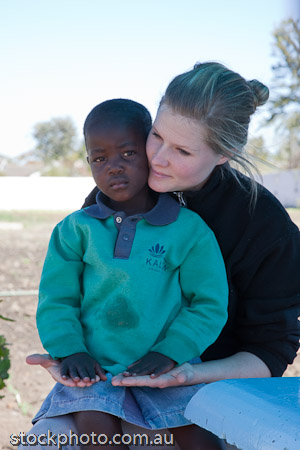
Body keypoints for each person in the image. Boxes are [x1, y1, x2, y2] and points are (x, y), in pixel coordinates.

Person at [24, 62, 300, 450]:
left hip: (202, 391)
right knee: (41, 443)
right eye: (156, 136)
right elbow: (72, 293)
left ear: (226, 153)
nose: (158, 158)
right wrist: (70, 352)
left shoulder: (265, 227)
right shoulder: (111, 198)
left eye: (183, 150)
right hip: (106, 382)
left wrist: (183, 372)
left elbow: (271, 350)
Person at [32, 98, 229, 450]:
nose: (114, 167)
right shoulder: (75, 230)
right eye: (99, 158)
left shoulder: (189, 231)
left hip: (165, 370)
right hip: (95, 370)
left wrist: (171, 351)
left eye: (127, 153)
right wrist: (70, 350)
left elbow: (208, 304)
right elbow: (57, 299)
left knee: (199, 440)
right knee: (97, 434)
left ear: (150, 154)